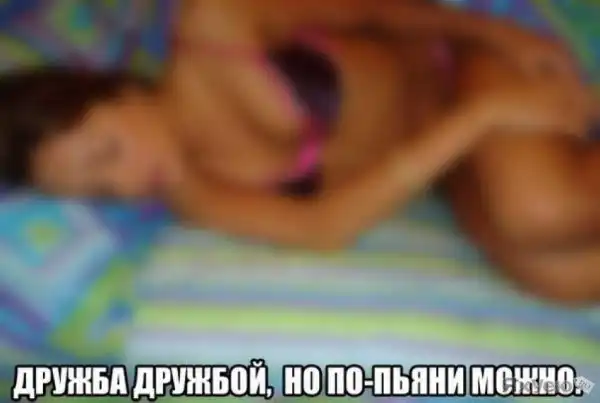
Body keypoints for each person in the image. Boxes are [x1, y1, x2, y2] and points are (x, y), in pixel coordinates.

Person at [0, 0, 598, 304]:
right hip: (456, 159)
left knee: (539, 214)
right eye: (103, 190)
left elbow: (369, 10)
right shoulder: (196, 194)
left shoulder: (215, 25)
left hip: (460, 72)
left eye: (107, 152)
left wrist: (497, 34)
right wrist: (480, 122)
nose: (130, 181)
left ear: (119, 90)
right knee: (565, 275)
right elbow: (324, 228)